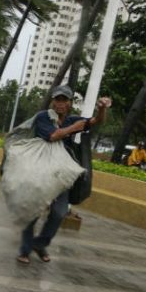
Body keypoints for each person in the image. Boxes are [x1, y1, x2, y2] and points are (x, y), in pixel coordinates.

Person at [16, 85, 111, 264]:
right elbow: (52, 136)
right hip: (41, 172)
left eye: (64, 100)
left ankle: (40, 243)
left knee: (59, 213)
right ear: (53, 101)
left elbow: (95, 121)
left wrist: (102, 109)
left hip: (61, 175)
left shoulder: (71, 120)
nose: (60, 104)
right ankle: (25, 249)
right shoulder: (44, 117)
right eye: (57, 100)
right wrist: (73, 128)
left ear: (69, 103)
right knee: (33, 212)